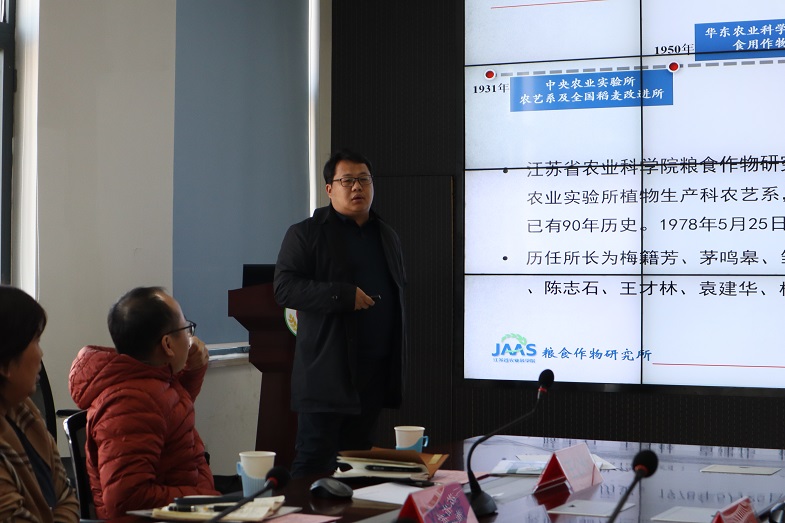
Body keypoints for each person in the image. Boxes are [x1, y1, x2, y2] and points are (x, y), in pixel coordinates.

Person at [274, 149, 408, 477]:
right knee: (313, 464)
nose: (357, 187)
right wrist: (343, 296)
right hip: (326, 373)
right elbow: (285, 288)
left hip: (373, 374)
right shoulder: (306, 233)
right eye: (347, 180)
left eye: (364, 179)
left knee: (356, 466)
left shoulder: (387, 235)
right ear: (329, 189)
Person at [68, 287, 219, 518]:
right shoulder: (129, 404)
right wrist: (207, 500)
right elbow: (127, 499)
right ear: (167, 344)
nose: (190, 338)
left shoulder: (149, 382)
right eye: (185, 329)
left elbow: (173, 411)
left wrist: (194, 368)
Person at [0, 286, 79, 523]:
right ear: (4, 363)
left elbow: (67, 498)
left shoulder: (25, 412)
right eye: (36, 341)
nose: (41, 354)